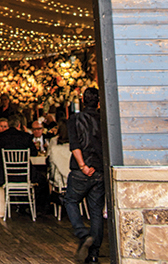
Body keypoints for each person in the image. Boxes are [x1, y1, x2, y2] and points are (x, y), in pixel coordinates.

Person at [65, 88, 105, 263]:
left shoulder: (75, 119)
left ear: (82, 100)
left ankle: (82, 234)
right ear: (98, 101)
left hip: (81, 170)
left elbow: (75, 145)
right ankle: (94, 254)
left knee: (70, 200)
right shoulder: (103, 119)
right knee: (96, 212)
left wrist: (83, 166)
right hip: (99, 170)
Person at [0, 114, 36, 187]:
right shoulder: (26, 136)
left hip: (6, 174)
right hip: (24, 174)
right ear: (19, 125)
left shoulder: (1, 136)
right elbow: (34, 152)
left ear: (8, 124)